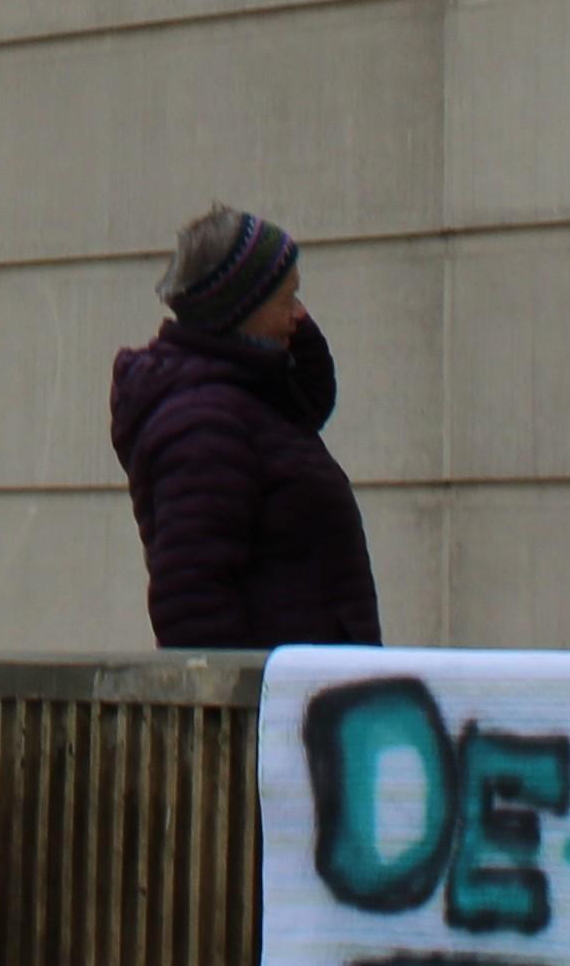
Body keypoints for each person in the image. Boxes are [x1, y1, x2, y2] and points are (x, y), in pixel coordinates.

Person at [111, 203, 380, 648]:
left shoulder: (250, 401)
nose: (299, 314)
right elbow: (193, 606)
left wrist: (293, 328)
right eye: (285, 299)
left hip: (303, 700)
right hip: (272, 708)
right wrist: (236, 713)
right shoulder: (202, 424)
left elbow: (305, 400)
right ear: (241, 310)